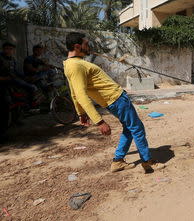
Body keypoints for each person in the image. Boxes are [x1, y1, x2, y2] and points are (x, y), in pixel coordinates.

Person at [63, 32, 160, 174]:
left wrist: (81, 113)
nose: (88, 47)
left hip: (115, 99)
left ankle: (118, 161)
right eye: (86, 44)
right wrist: (99, 121)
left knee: (129, 129)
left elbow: (74, 92)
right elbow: (80, 94)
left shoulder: (72, 64)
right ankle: (147, 162)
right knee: (137, 128)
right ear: (77, 46)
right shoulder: (76, 66)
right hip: (116, 99)